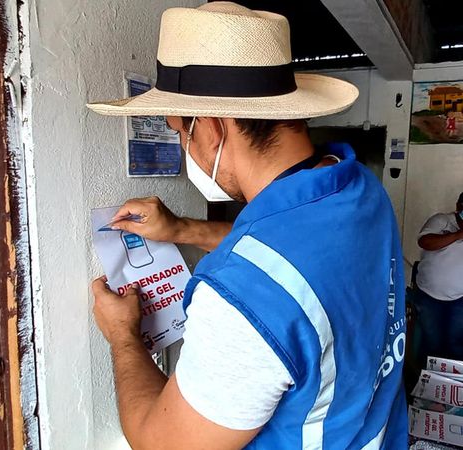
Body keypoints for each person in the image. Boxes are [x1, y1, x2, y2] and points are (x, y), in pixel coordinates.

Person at [87, 3, 407, 449]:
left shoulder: (240, 300)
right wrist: (181, 229)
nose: (185, 146)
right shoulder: (359, 189)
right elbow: (286, 257)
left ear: (212, 128)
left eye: (180, 130)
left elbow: (161, 443)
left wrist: (122, 335)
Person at [412, 192, 463, 365]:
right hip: (429, 294)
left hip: (459, 297)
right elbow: (425, 242)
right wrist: (458, 235)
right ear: (458, 206)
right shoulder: (442, 220)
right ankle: (426, 378)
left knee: (456, 342)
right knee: (432, 341)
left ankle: (452, 379)